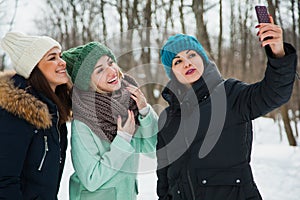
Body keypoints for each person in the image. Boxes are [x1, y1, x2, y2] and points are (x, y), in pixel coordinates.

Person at [156, 17, 297, 200]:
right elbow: (164, 177)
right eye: (177, 61)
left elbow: (273, 94)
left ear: (203, 59)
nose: (187, 63)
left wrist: (279, 55)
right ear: (172, 73)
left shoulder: (230, 94)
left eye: (191, 55)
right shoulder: (167, 117)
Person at [62, 41, 158, 200]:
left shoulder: (127, 106)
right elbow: (90, 179)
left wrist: (145, 111)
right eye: (100, 70)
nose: (111, 71)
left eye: (110, 63)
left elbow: (150, 149)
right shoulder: (84, 122)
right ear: (88, 83)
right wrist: (122, 141)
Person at [0, 32, 72, 199]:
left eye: (60, 56)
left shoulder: (54, 110)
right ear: (33, 67)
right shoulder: (15, 112)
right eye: (52, 57)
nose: (62, 62)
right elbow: (4, 180)